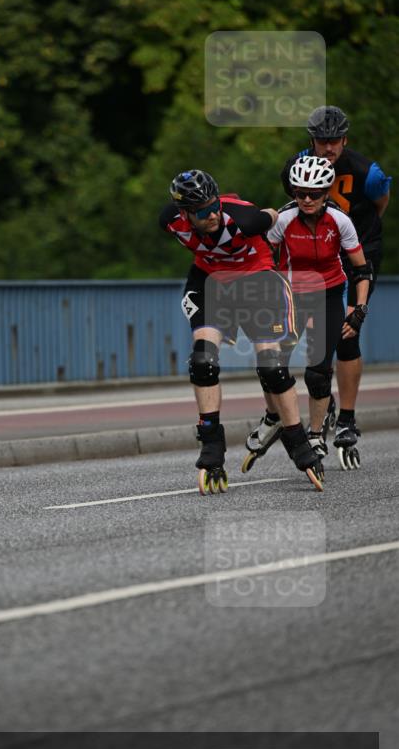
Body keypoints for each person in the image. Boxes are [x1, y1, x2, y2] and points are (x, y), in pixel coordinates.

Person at [159, 168, 325, 495]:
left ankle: (298, 442)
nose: (212, 215)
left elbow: (274, 215)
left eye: (214, 206)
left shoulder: (243, 219)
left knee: (272, 368)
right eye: (202, 212)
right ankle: (211, 445)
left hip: (257, 279)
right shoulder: (170, 220)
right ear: (185, 214)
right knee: (202, 362)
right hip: (211, 282)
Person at [243, 156, 371, 472]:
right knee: (269, 365)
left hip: (329, 295)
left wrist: (359, 310)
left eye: (314, 194)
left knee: (317, 372)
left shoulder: (340, 221)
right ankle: (274, 417)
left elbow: (361, 269)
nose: (307, 199)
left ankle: (315, 436)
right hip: (291, 297)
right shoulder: (284, 219)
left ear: (326, 193)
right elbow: (261, 258)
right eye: (300, 193)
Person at [280, 106, 391, 463]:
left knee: (348, 331)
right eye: (321, 141)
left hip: (359, 250)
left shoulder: (367, 172)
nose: (328, 148)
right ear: (311, 140)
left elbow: (380, 203)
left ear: (345, 139)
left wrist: (353, 234)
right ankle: (322, 398)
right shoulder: (296, 166)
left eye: (335, 141)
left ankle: (347, 419)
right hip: (318, 252)